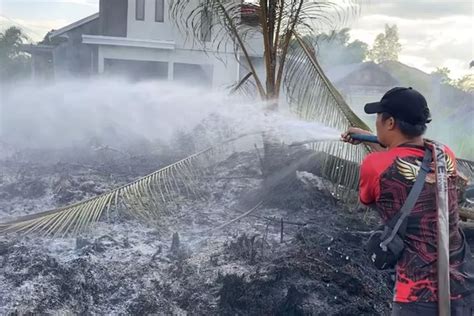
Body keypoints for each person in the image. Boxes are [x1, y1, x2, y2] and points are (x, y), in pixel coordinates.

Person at [341, 87, 474, 315]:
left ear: (390, 123)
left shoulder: (374, 165)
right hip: (463, 287)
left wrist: (373, 142)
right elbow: (410, 159)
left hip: (416, 297)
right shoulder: (445, 155)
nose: (376, 124)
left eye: (378, 119)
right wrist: (372, 137)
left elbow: (370, 194)